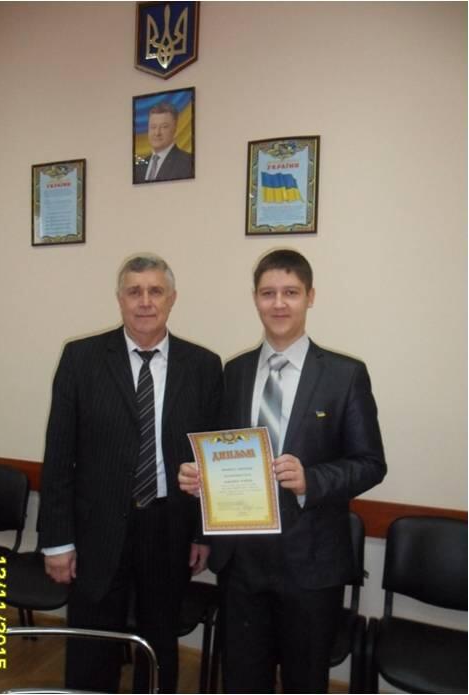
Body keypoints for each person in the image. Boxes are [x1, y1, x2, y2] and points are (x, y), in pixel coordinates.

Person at [179, 249, 387, 694]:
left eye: (290, 292)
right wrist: (201, 480)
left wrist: (313, 480)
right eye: (268, 293)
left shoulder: (345, 375)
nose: (278, 303)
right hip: (242, 563)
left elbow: (371, 463)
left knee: (304, 683)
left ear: (310, 297)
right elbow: (222, 453)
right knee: (242, 680)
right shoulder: (234, 372)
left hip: (311, 564)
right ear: (255, 298)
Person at [39, 254, 222, 693]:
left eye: (155, 291)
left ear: (172, 299)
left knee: (159, 644)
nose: (145, 301)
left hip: (169, 528)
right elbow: (59, 455)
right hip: (97, 530)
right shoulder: (81, 358)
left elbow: (211, 458)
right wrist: (58, 541)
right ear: (119, 299)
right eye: (134, 291)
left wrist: (203, 533)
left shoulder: (203, 366)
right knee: (91, 644)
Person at [134, 102, 193, 183]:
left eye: (164, 127)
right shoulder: (138, 167)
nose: (157, 133)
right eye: (153, 127)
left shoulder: (188, 162)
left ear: (175, 128)